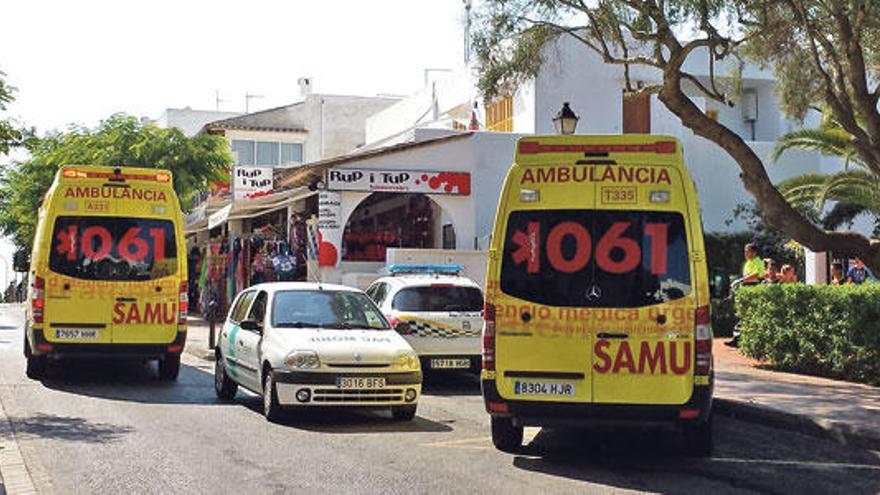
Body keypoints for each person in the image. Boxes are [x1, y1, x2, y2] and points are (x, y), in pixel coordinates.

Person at [726, 242, 765, 347]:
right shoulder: (748, 262)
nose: (745, 253)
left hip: (752, 287)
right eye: (745, 251)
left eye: (748, 251)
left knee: (748, 314)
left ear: (754, 252)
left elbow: (756, 275)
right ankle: (738, 339)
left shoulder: (757, 262)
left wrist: (740, 280)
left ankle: (744, 340)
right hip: (745, 287)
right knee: (741, 314)